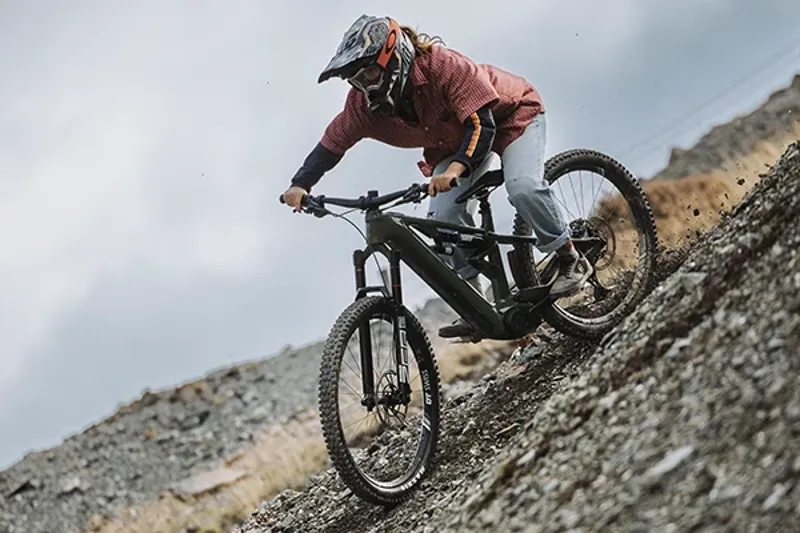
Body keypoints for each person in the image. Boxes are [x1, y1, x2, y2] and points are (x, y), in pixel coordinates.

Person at [280, 14, 593, 338]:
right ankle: (477, 307)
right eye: (356, 81)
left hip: (511, 117)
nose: (365, 86)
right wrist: (300, 183)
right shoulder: (364, 107)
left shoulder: (442, 66)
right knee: (444, 219)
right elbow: (332, 144)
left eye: (370, 73)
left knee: (522, 187)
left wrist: (457, 169)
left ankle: (571, 258)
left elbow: (480, 123)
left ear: (394, 57)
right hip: (455, 144)